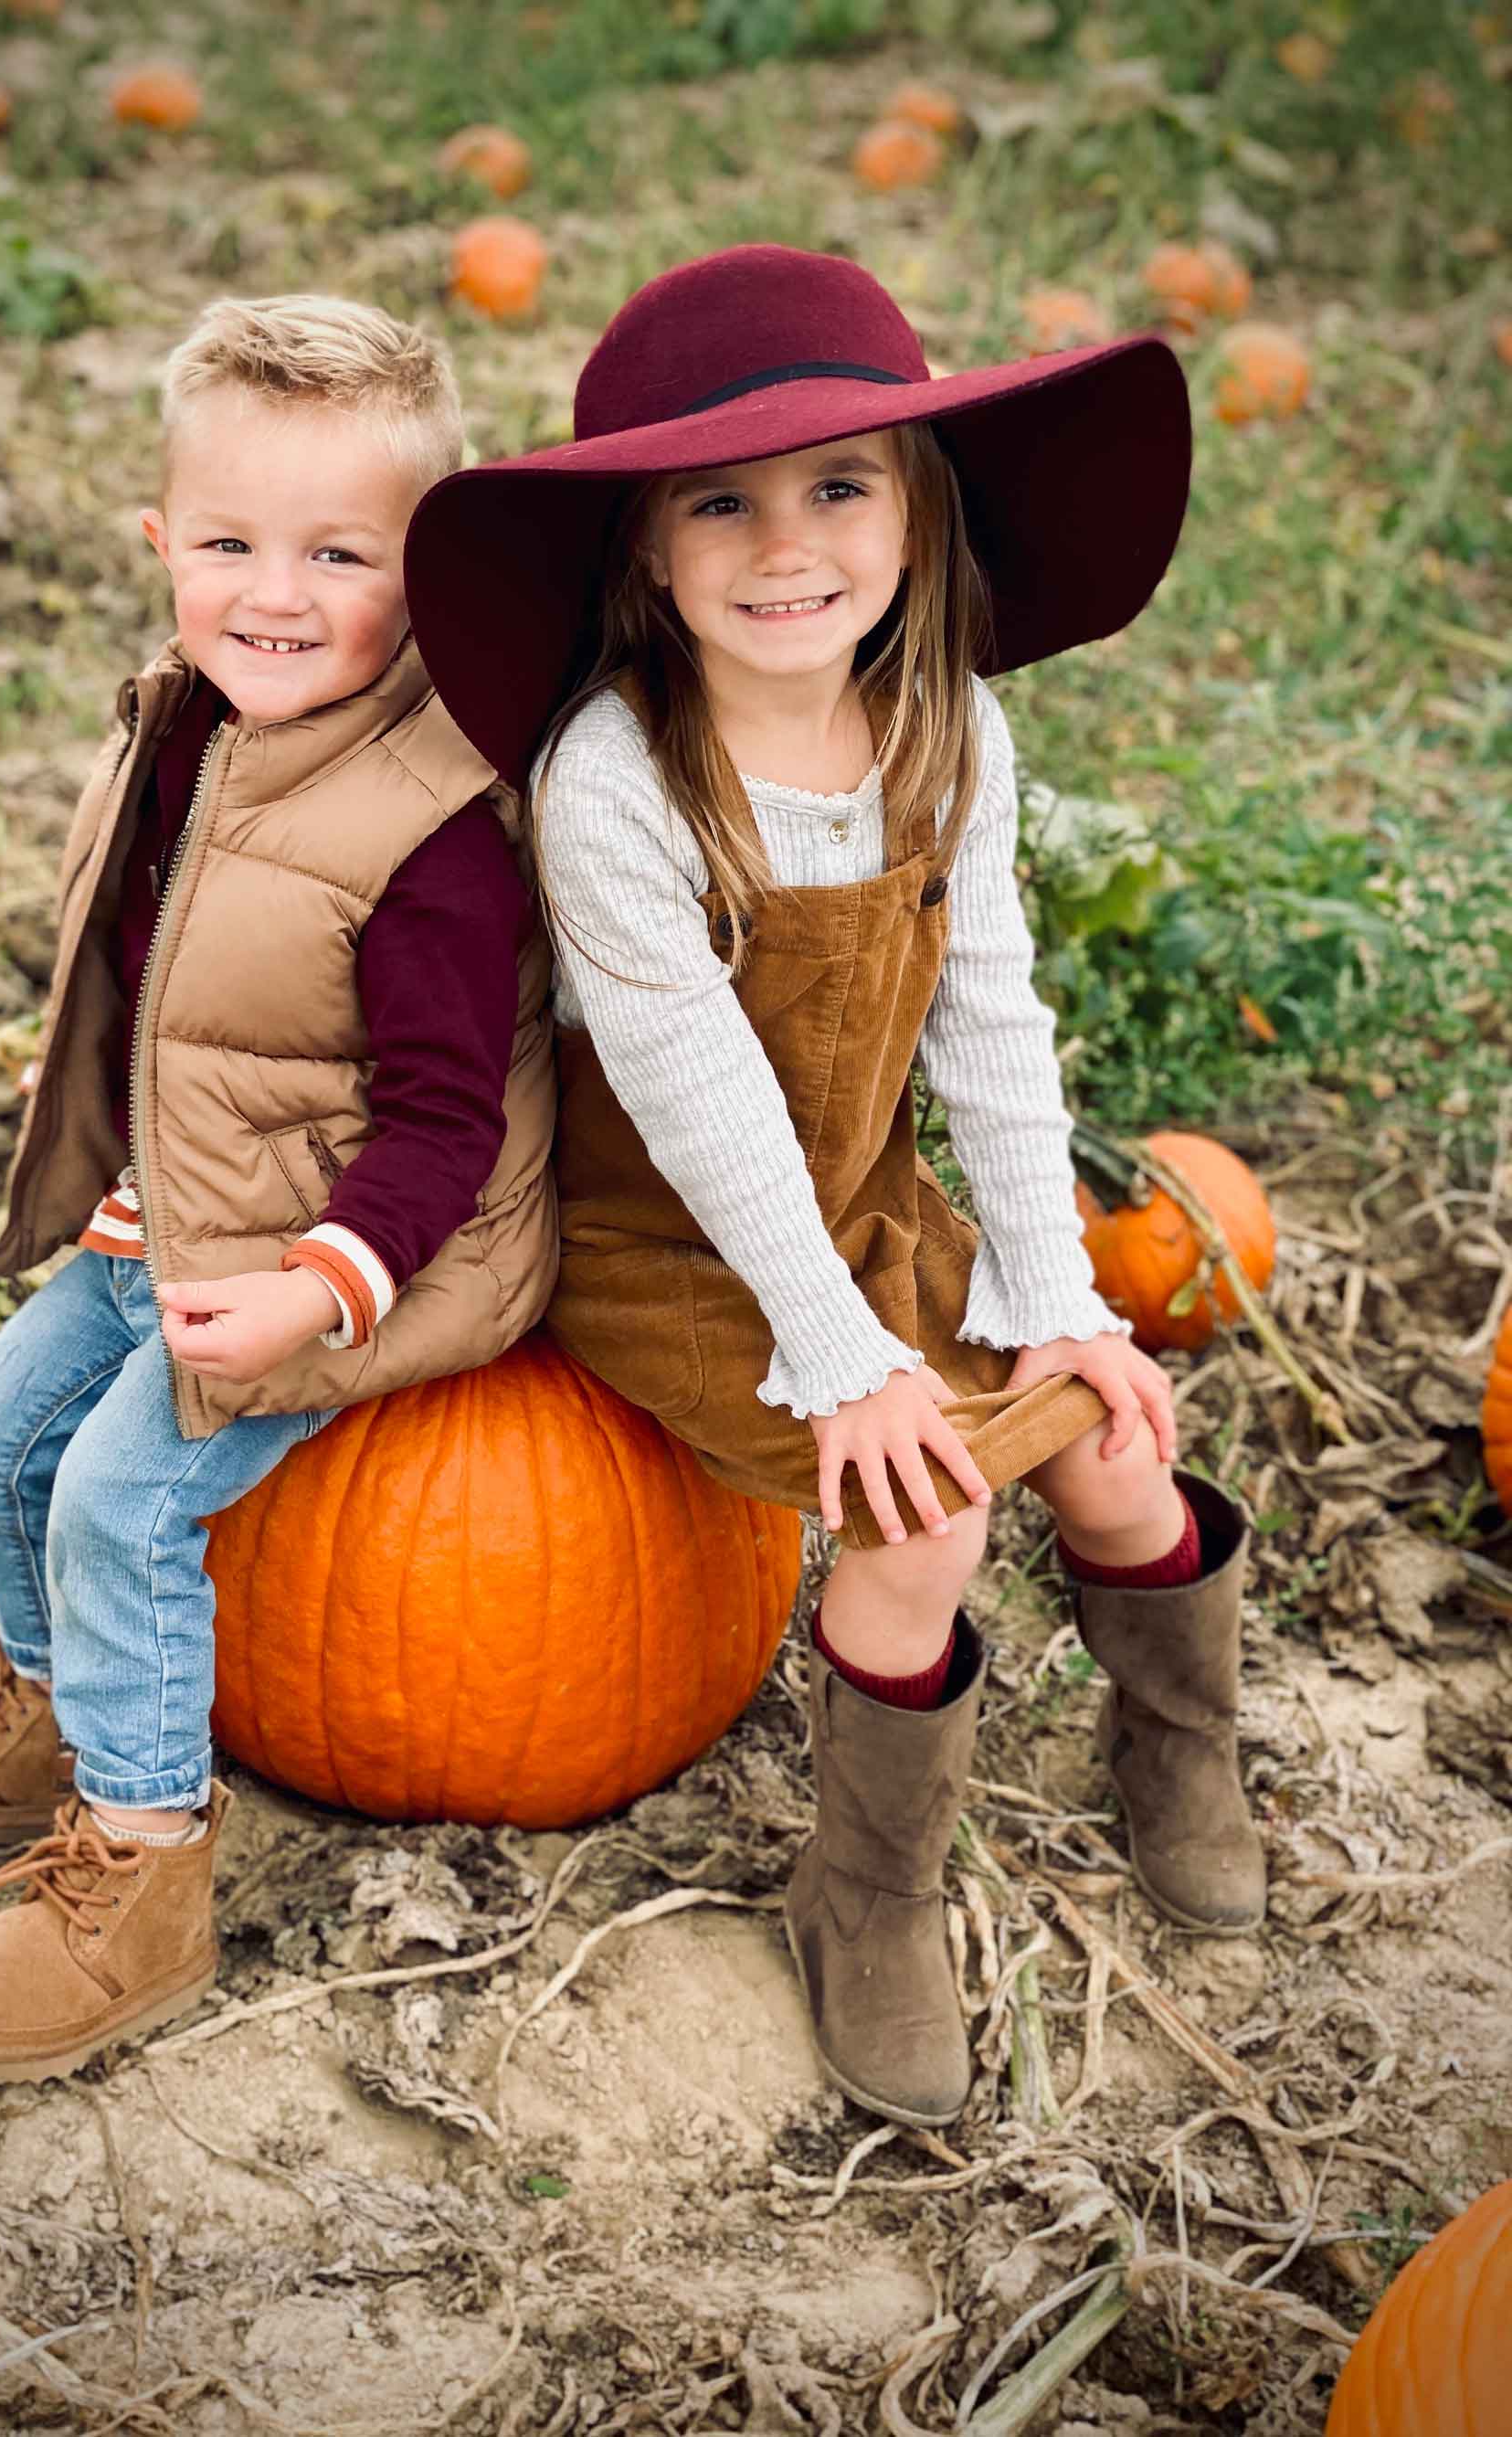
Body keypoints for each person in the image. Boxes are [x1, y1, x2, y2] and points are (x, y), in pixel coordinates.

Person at [402, 244, 1265, 2129]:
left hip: (859, 1195)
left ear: (917, 509)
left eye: (839, 484)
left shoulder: (947, 727)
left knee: (1113, 1431)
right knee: (929, 1508)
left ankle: (1178, 1743)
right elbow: (698, 1099)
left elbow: (989, 1023)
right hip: (676, 1245)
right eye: (721, 500)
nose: (785, 541)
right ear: (642, 548)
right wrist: (843, 1353)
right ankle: (862, 1892)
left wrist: (1052, 1290)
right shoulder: (618, 777)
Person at [0, 294, 557, 2083]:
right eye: (229, 542)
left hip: (382, 1240)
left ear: (431, 570)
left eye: (341, 551)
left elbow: (446, 1120)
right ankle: (57, 1700)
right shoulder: (187, 719)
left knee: (117, 1496)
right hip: (190, 1204)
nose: (277, 592)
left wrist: (319, 1285)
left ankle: (145, 1865)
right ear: (161, 545)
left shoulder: (434, 823)